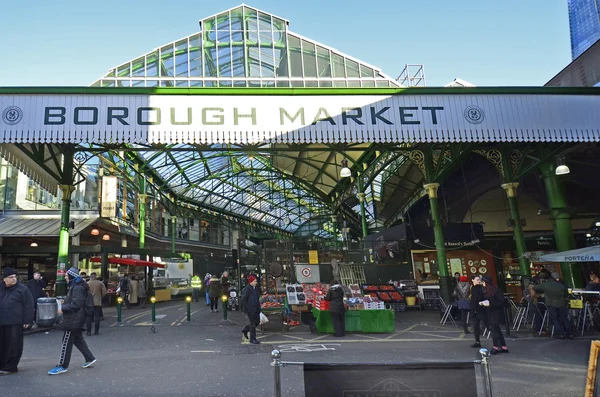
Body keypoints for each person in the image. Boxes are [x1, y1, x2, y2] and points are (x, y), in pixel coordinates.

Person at [48, 267, 96, 375]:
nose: (65, 277)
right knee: (77, 339)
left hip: (73, 319)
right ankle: (89, 358)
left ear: (71, 276)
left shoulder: (77, 288)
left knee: (66, 341)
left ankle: (62, 365)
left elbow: (76, 304)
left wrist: (63, 308)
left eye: (66, 276)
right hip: (77, 318)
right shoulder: (77, 286)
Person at [0, 267, 34, 375]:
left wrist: (27, 320)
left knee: (13, 345)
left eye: (15, 276)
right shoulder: (1, 288)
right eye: (11, 277)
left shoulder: (22, 289)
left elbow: (29, 305)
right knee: (2, 345)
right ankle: (2, 364)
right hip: (1, 321)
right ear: (4, 279)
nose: (14, 279)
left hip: (15, 321)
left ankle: (11, 366)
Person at [534, 271, 574, 340]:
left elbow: (535, 288)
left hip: (551, 304)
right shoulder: (562, 285)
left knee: (555, 319)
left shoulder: (546, 284)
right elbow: (566, 295)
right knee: (564, 319)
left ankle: (560, 334)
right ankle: (569, 334)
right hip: (562, 303)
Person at [481, 277, 509, 354]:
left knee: (494, 330)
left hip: (496, 313)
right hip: (490, 312)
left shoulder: (496, 291)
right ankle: (503, 346)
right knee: (497, 330)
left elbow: (501, 302)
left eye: (483, 282)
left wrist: (490, 304)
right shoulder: (486, 291)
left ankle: (495, 347)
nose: (482, 284)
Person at [241, 275, 261, 345]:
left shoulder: (255, 288)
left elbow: (257, 297)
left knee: (257, 321)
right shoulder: (247, 289)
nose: (256, 282)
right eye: (255, 281)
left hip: (256, 308)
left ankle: (245, 329)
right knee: (252, 324)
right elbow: (243, 300)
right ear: (251, 282)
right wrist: (247, 308)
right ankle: (253, 339)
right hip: (250, 309)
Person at [469, 275, 488, 348]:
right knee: (476, 327)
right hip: (474, 309)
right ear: (472, 280)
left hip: (481, 309)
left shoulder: (482, 288)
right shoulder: (472, 288)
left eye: (479, 279)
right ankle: (477, 341)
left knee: (488, 325)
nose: (478, 280)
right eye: (477, 279)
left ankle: (497, 342)